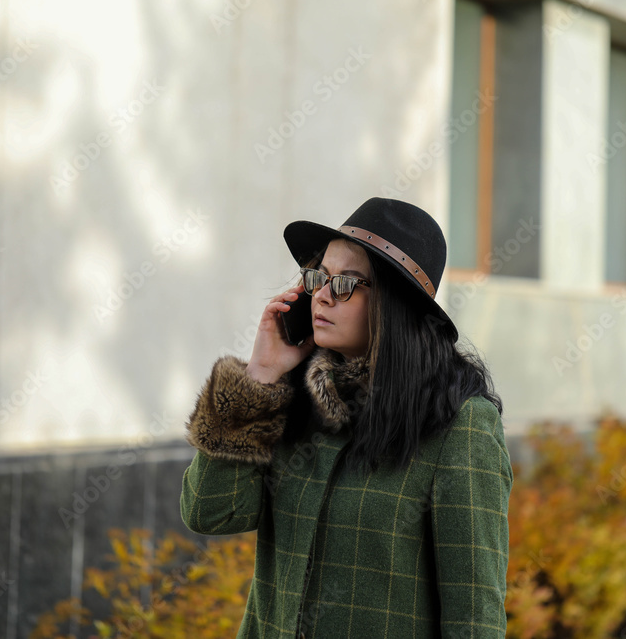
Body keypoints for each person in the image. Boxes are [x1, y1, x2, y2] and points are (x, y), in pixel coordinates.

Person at [180, 196, 513, 638]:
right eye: (319, 277)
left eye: (345, 284)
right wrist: (258, 379)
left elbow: (474, 618)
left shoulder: (459, 425)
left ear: (395, 305)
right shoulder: (293, 397)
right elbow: (210, 513)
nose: (320, 295)